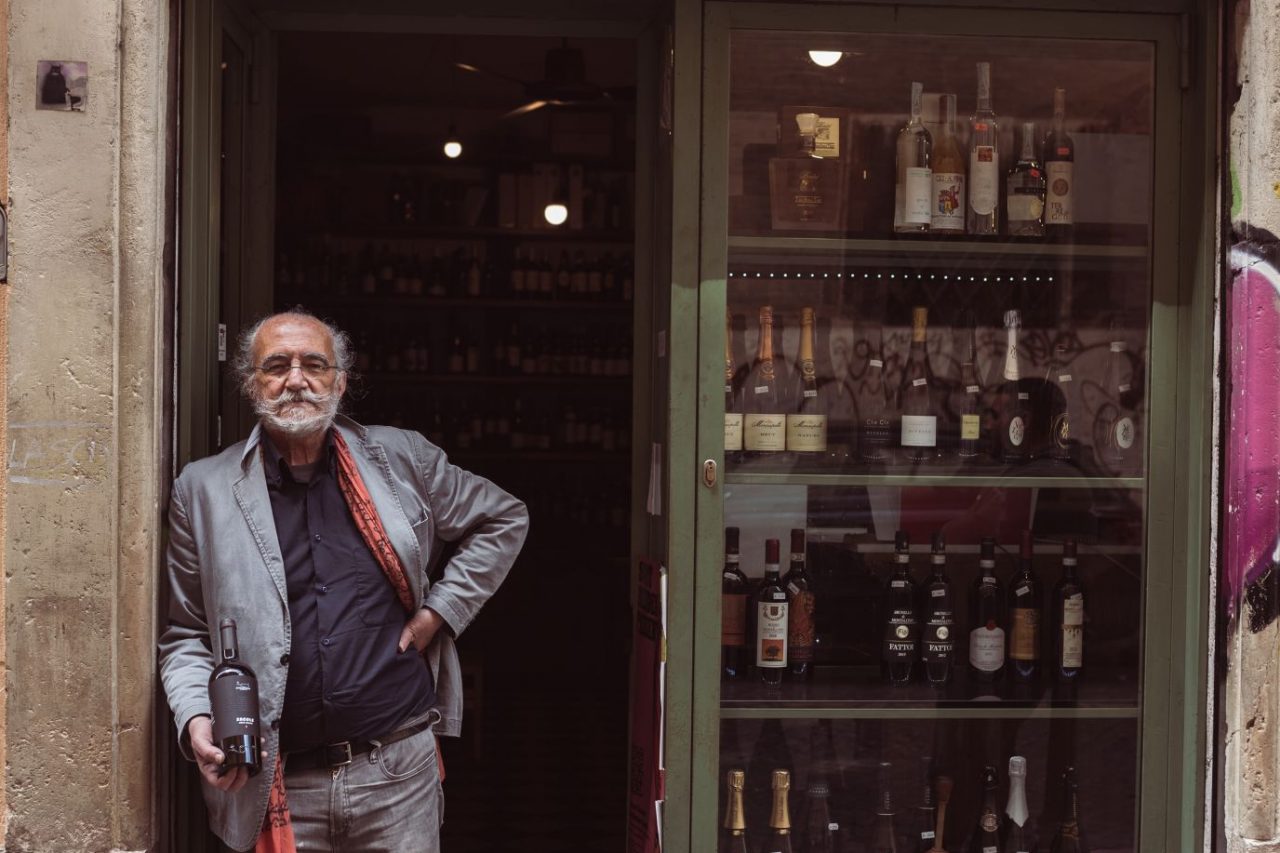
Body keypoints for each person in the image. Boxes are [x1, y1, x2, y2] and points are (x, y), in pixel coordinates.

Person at [158, 310, 528, 852]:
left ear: (341, 381)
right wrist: (194, 717)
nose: (296, 380)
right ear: (250, 383)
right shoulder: (204, 491)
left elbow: (503, 518)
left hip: (396, 776)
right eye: (276, 366)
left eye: (314, 365)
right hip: (275, 783)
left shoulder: (402, 459)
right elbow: (186, 634)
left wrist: (439, 611)